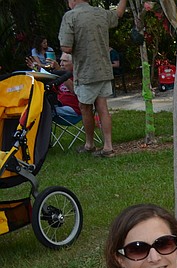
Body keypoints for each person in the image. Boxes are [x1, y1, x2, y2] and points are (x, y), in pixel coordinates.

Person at [58, 0, 127, 157]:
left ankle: (90, 144)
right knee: (102, 106)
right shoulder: (100, 13)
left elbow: (66, 47)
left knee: (85, 108)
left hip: (86, 72)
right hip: (104, 69)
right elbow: (119, 14)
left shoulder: (70, 16)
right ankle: (108, 146)